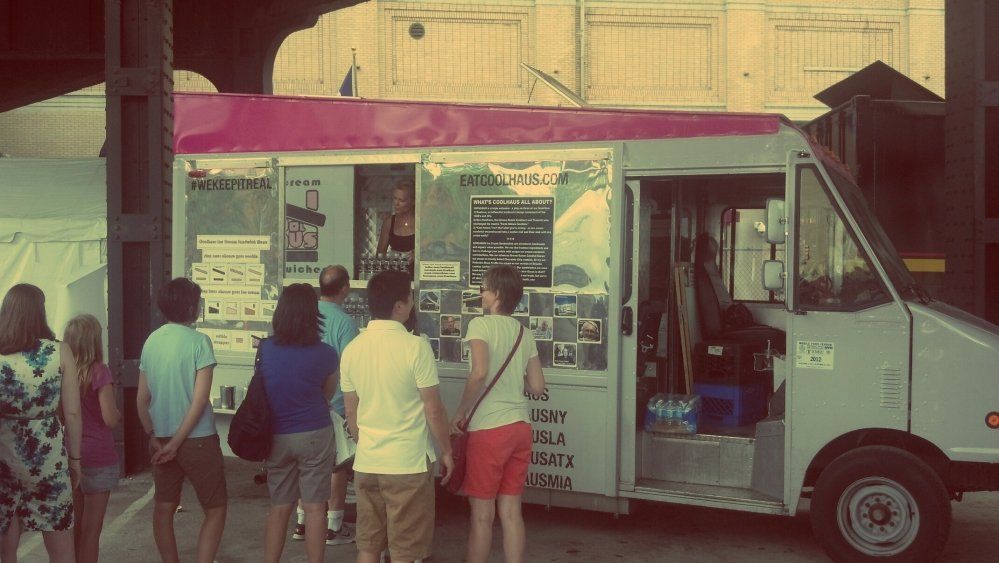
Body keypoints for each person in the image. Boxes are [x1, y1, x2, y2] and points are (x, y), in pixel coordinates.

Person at [340, 270, 454, 563]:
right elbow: (433, 408)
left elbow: (350, 410)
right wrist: (447, 451)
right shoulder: (416, 348)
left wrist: (364, 443)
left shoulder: (352, 350)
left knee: (368, 544)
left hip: (368, 463)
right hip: (407, 464)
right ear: (400, 306)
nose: (413, 303)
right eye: (411, 297)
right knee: (406, 550)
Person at [450, 265, 546, 563]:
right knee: (511, 511)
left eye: (484, 288)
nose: (481, 294)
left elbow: (478, 373)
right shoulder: (524, 332)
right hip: (520, 426)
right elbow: (538, 386)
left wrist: (461, 412)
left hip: (489, 429)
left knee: (481, 515)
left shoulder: (480, 326)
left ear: (498, 294)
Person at [137, 278, 226, 563]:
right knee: (215, 508)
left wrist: (153, 436)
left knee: (163, 508)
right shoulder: (200, 342)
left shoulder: (152, 341)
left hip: (160, 438)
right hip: (197, 439)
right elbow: (200, 401)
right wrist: (177, 442)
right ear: (190, 306)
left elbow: (141, 399)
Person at [0, 284, 82, 563]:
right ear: (40, 312)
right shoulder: (60, 352)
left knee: (6, 551)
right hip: (48, 459)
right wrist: (76, 459)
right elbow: (72, 414)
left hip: (4, 457)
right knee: (61, 547)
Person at [260, 283, 339, 563]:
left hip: (277, 436)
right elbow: (327, 393)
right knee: (316, 508)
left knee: (280, 507)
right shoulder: (327, 354)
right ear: (312, 314)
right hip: (315, 433)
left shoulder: (266, 349)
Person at [290, 265, 358, 547]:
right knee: (337, 465)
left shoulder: (305, 315)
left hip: (303, 402)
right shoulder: (345, 322)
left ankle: (301, 521)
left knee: (306, 463)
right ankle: (333, 526)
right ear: (344, 288)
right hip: (336, 403)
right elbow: (351, 366)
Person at [65, 314, 121, 563]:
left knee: (74, 526)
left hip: (71, 453)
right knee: (92, 530)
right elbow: (110, 418)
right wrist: (119, 411)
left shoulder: (62, 372)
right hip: (99, 456)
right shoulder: (99, 372)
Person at [376, 179, 416, 268]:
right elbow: (379, 255)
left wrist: (417, 254)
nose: (396, 203)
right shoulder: (389, 222)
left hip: (416, 275)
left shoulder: (421, 223)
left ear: (413, 201)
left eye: (401, 200)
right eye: (395, 198)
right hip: (395, 274)